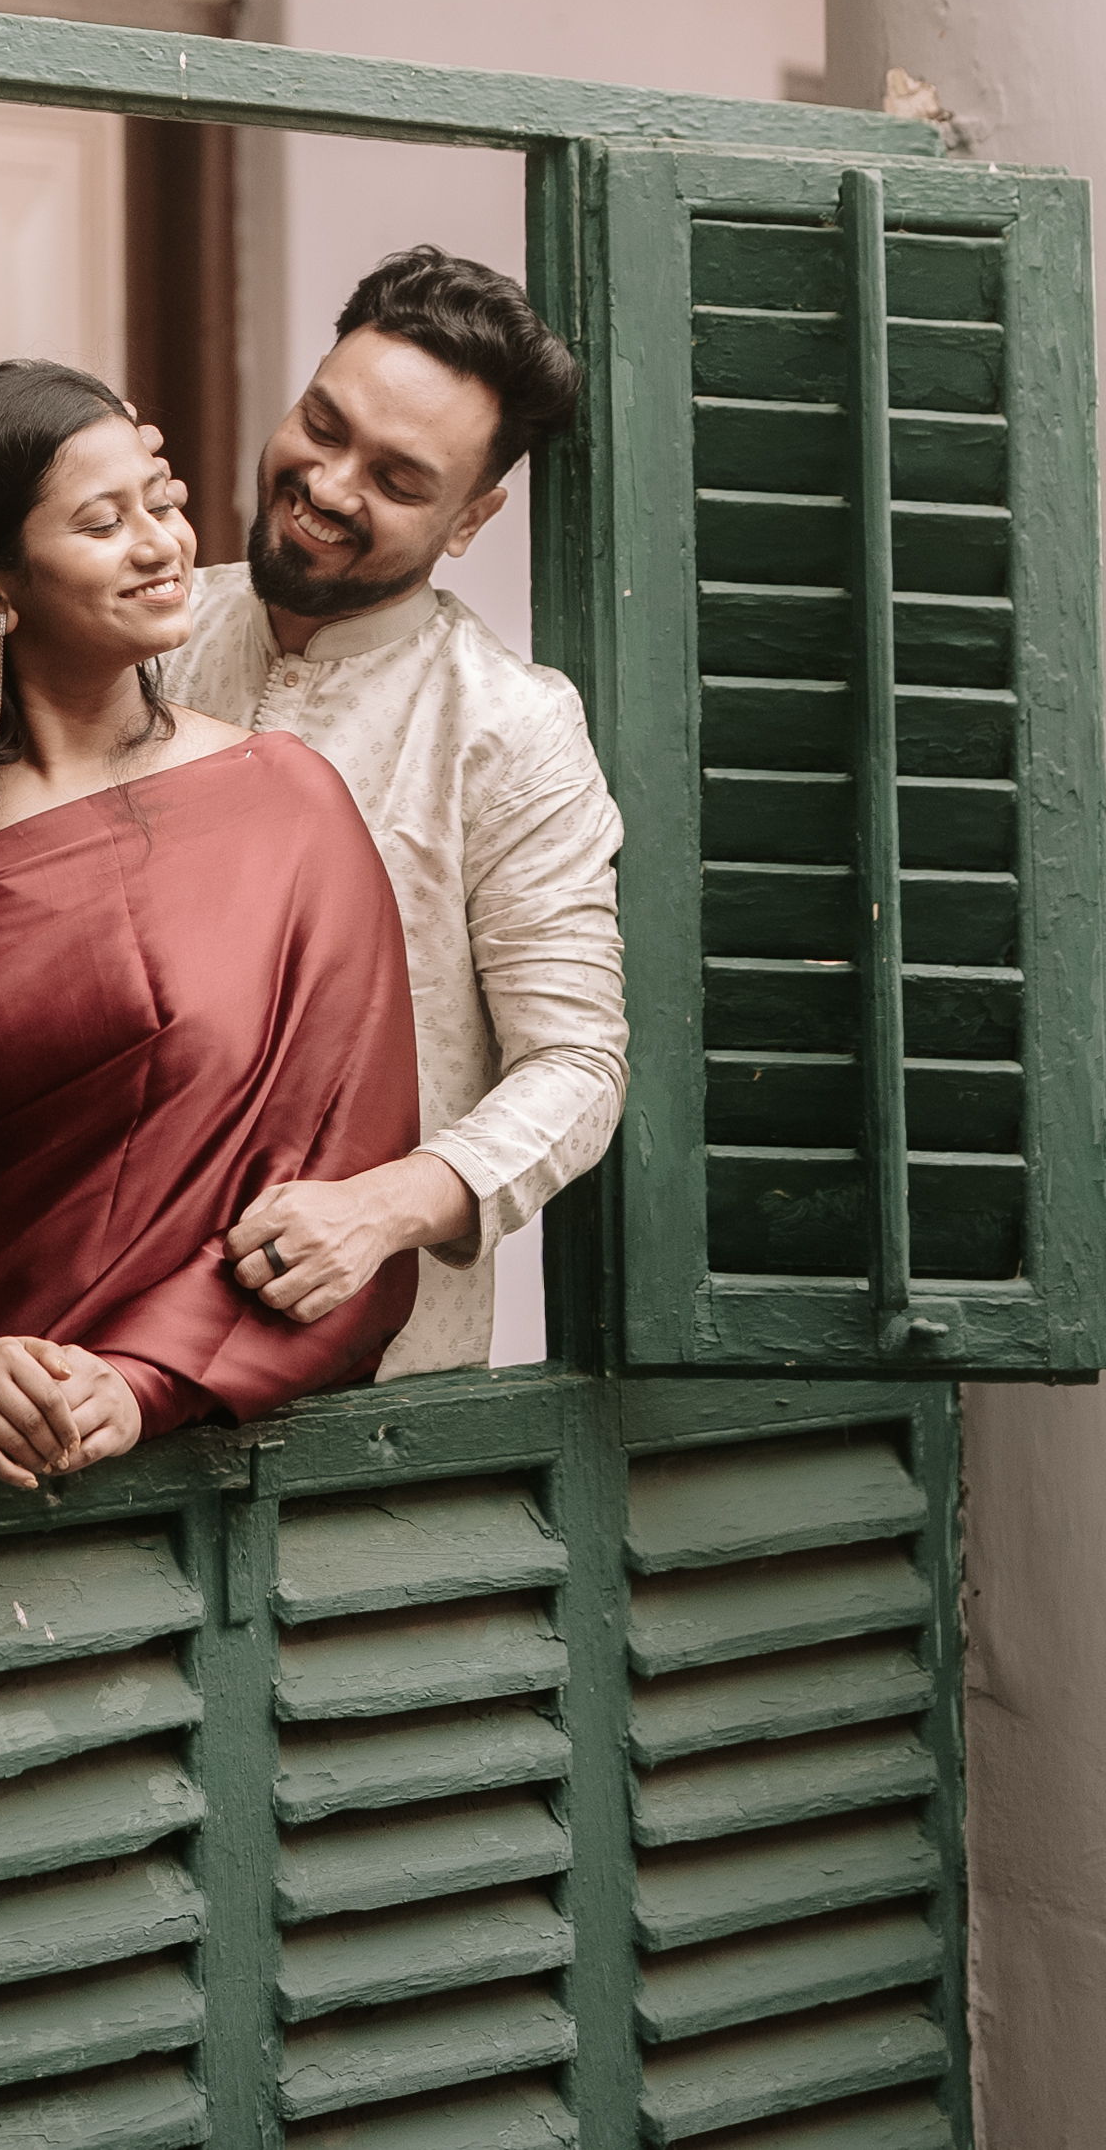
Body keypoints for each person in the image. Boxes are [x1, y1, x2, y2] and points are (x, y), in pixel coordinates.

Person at [0, 357, 421, 1492]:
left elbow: (336, 1180)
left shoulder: (286, 806)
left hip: (178, 1471)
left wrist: (134, 1380)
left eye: (162, 499)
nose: (162, 542)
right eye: (102, 520)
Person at [157, 245, 627, 1379]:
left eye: (398, 479)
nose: (326, 484)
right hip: (86, 1333)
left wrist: (381, 1210)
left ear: (471, 519)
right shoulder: (145, 632)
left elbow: (576, 1065)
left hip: (369, 1376)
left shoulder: (509, 727)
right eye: (321, 424)